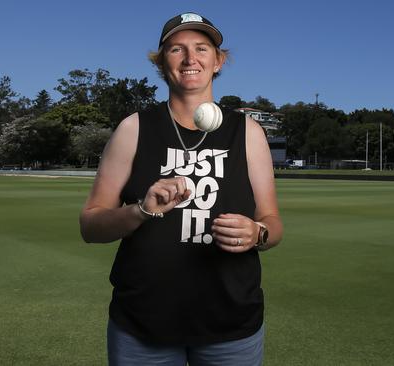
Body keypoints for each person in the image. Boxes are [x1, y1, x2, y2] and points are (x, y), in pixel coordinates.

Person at [80, 12, 283, 366]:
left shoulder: (248, 132)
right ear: (162, 63)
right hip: (143, 324)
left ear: (218, 61)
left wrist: (257, 233)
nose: (191, 59)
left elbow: (272, 222)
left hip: (231, 322)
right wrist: (140, 209)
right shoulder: (134, 129)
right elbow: (90, 225)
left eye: (202, 48)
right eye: (177, 49)